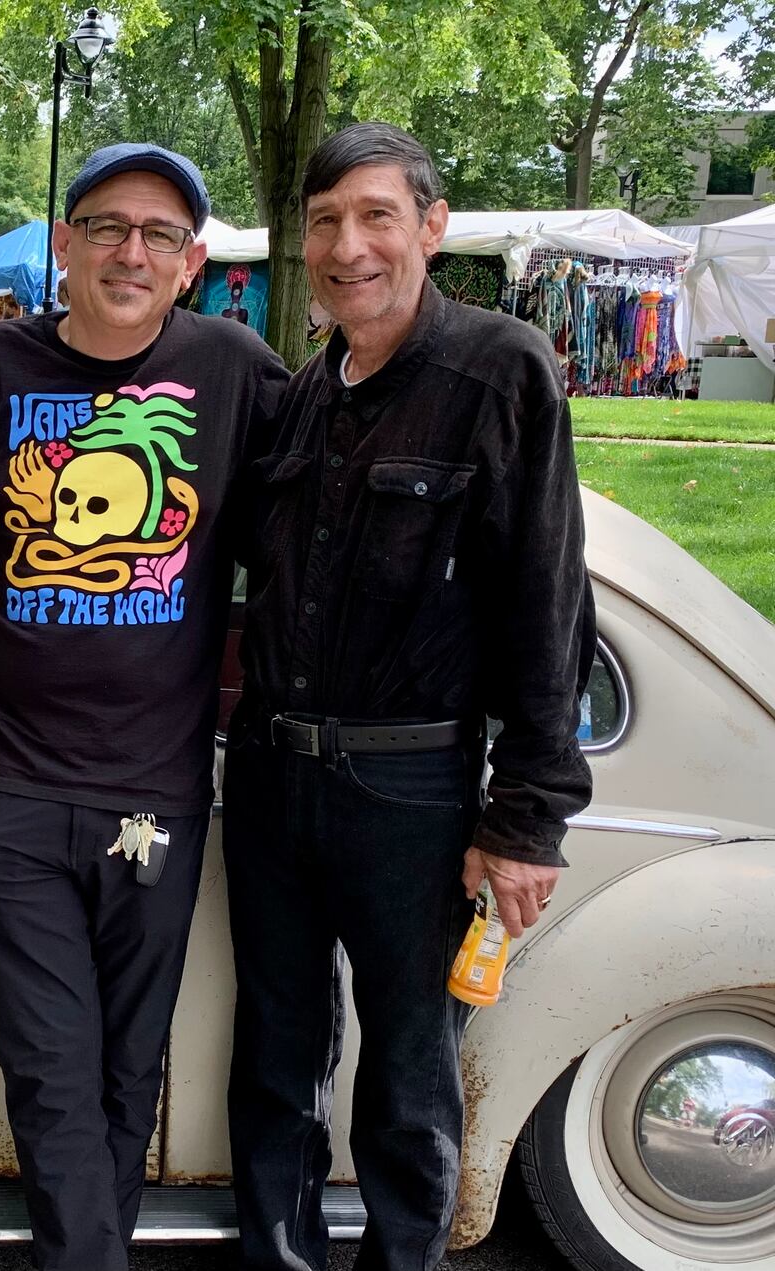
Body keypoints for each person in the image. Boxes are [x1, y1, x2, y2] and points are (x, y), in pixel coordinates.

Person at [0, 142, 287, 1271]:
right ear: (64, 245)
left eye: (156, 235)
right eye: (105, 227)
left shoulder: (236, 369)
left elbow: (311, 527)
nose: (128, 252)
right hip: (13, 784)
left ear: (190, 263)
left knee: (125, 1063)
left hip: (158, 788)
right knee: (48, 1057)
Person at [225, 121, 595, 1271]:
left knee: (408, 1066)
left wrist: (527, 811)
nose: (347, 246)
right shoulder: (298, 397)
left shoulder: (499, 369)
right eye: (326, 221)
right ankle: (276, 1258)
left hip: (414, 787)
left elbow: (547, 601)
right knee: (276, 1052)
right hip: (272, 774)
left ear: (430, 226)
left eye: (376, 215)